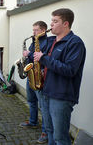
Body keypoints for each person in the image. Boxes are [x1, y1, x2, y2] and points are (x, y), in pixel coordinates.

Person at [34, 8, 86, 145]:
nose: (51, 24)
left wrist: (43, 58)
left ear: (66, 24)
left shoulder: (75, 43)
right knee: (50, 130)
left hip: (61, 96)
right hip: (46, 91)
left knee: (60, 137)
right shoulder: (51, 41)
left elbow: (70, 70)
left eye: (55, 21)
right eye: (51, 21)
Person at [19, 21, 48, 143]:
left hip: (39, 77)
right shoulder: (33, 41)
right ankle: (33, 121)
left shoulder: (48, 42)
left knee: (43, 106)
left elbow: (43, 57)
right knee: (31, 101)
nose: (33, 32)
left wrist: (29, 53)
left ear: (43, 30)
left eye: (36, 30)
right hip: (31, 75)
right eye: (33, 30)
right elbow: (31, 56)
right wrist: (26, 57)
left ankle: (45, 132)